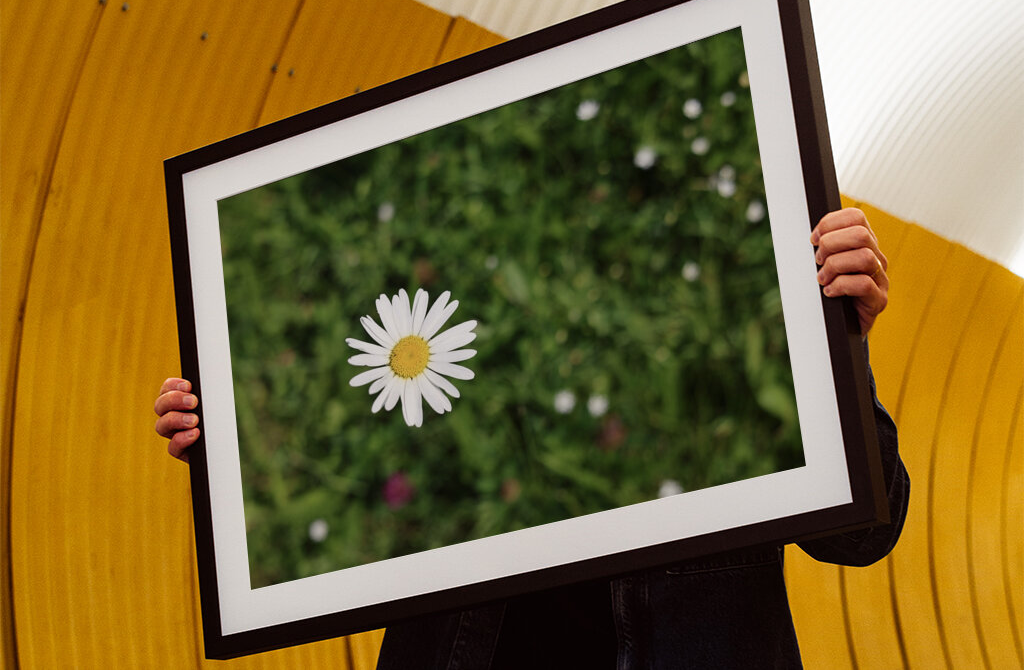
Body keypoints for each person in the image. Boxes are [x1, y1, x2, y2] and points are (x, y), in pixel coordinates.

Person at [154, 208, 909, 669]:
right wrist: (242, 444)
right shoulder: (449, 369)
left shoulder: (733, 353)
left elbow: (866, 532)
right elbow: (358, 489)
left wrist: (836, 342)